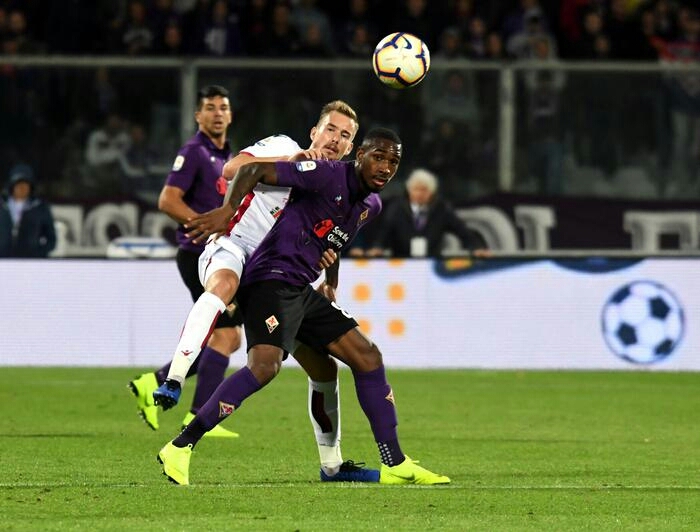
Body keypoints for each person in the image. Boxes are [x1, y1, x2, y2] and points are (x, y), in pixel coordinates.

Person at [156, 127, 450, 486]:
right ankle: (180, 446)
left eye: (393, 162)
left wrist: (330, 280)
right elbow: (252, 170)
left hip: (300, 288)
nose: (385, 168)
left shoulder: (370, 205)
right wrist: (226, 211)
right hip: (269, 280)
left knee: (364, 358)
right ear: (359, 155)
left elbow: (333, 240)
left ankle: (385, 463)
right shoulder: (325, 174)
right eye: (378, 157)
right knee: (264, 367)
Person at [128, 85, 241, 439]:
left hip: (215, 255)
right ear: (198, 115)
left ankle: (155, 382)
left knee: (224, 337)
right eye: (210, 107)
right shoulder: (194, 152)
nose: (217, 113)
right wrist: (204, 227)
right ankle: (196, 416)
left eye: (223, 107)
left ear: (230, 114)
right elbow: (168, 200)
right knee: (225, 335)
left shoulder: (228, 155)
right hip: (197, 254)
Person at [366, 168, 487, 258]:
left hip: (431, 263)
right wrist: (377, 247)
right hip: (402, 263)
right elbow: (384, 232)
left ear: (431, 192)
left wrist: (475, 247)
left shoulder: (441, 209)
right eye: (416, 189)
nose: (419, 194)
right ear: (409, 190)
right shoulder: (396, 208)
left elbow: (461, 229)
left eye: (424, 190)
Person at [0, 164, 56, 258]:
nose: (22, 188)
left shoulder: (40, 208)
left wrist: (39, 254)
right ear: (12, 186)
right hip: (3, 260)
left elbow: (51, 239)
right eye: (18, 184)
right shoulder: (2, 207)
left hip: (31, 262)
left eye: (25, 185)